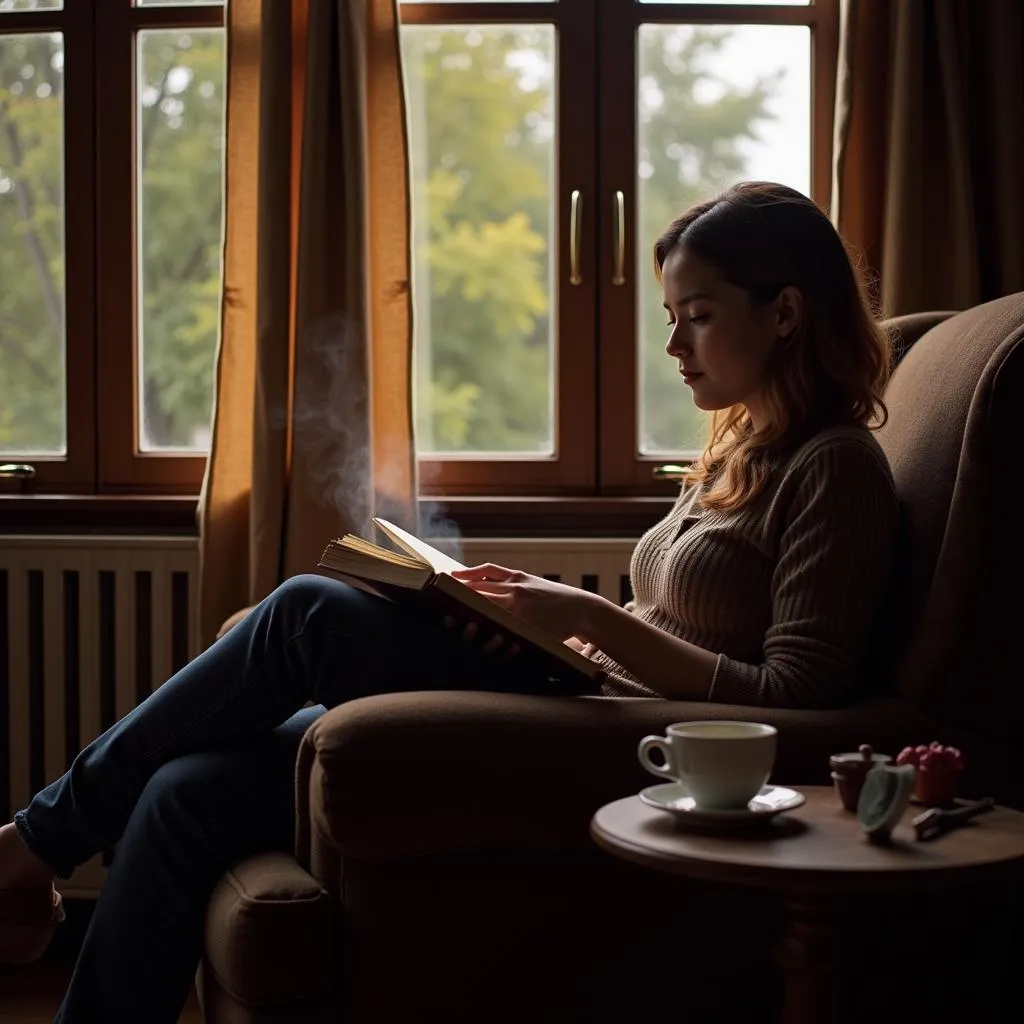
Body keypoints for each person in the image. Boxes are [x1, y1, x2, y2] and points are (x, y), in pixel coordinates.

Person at [0, 181, 898, 1021]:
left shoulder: (835, 466)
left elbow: (799, 694)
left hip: (641, 749)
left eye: (696, 318)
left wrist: (587, 619)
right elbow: (667, 624)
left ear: (783, 313)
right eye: (672, 319)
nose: (672, 348)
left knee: (309, 610)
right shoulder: (740, 451)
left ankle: (33, 844)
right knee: (184, 788)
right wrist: (532, 628)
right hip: (593, 696)